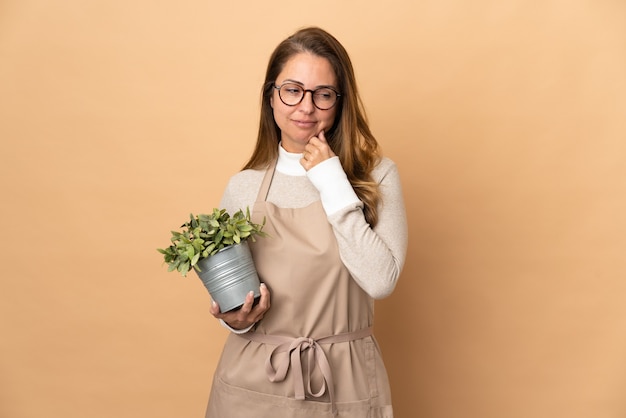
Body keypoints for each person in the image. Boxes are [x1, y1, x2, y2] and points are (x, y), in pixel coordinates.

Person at [206, 27, 408, 418]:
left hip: (342, 378)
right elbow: (232, 297)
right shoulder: (244, 187)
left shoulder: (377, 176)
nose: (306, 107)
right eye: (292, 90)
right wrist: (235, 321)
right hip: (252, 382)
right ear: (271, 96)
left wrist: (333, 181)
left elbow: (381, 280)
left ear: (340, 102)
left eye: (323, 94)